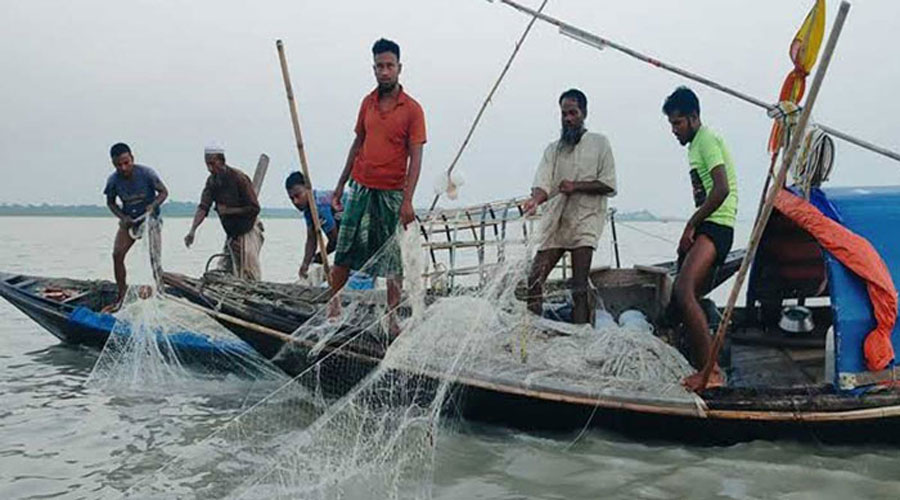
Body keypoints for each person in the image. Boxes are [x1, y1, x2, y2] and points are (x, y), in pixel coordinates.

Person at [329, 38, 426, 332]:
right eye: (379, 67)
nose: (384, 72)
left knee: (391, 256)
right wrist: (339, 185)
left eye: (389, 66)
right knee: (345, 247)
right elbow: (358, 142)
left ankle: (392, 316)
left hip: (392, 192)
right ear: (373, 69)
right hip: (360, 186)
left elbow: (416, 158)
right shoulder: (367, 103)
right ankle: (333, 303)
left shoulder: (412, 109)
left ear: (399, 68)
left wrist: (408, 201)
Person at [662, 86, 738, 391]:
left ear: (694, 118)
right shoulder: (694, 146)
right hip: (708, 225)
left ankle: (712, 372)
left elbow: (721, 190)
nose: (674, 130)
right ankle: (697, 359)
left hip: (717, 225)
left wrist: (690, 226)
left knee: (684, 289)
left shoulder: (706, 139)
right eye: (671, 124)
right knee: (678, 301)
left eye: (678, 123)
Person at [523, 89, 617, 324]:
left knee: (578, 285)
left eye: (573, 113)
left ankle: (581, 334)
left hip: (586, 221)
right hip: (557, 222)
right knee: (535, 278)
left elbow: (608, 184)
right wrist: (534, 200)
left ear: (584, 113)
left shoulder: (599, 143)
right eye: (564, 114)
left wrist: (576, 186)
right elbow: (542, 184)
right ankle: (534, 330)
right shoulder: (553, 150)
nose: (568, 119)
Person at [103, 142, 168, 311]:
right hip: (130, 221)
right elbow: (110, 202)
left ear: (132, 158)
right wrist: (122, 217)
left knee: (154, 259)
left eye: (126, 162)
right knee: (117, 254)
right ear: (113, 164)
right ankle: (122, 294)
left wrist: (153, 205)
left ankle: (161, 292)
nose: (123, 168)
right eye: (118, 165)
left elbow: (163, 192)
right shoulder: (113, 180)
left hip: (150, 220)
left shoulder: (146, 174)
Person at [184, 145, 264, 281]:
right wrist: (192, 230)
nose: (209, 168)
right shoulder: (212, 182)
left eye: (212, 164)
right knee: (226, 268)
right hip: (232, 233)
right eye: (207, 165)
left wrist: (229, 211)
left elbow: (254, 208)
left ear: (222, 161)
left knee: (249, 271)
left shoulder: (238, 178)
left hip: (249, 228)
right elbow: (203, 207)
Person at [285, 171, 347, 280]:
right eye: (291, 199)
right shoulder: (309, 211)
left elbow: (335, 241)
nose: (296, 201)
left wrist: (318, 258)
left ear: (307, 189)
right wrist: (305, 264)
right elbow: (311, 238)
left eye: (298, 195)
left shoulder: (319, 206)